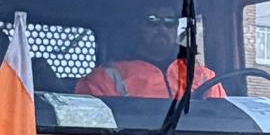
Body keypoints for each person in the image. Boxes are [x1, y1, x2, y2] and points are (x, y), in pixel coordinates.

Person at [74, 13, 222, 101]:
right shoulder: (105, 78)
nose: (161, 28)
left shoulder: (204, 77)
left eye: (170, 22)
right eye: (152, 20)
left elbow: (221, 121)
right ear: (138, 27)